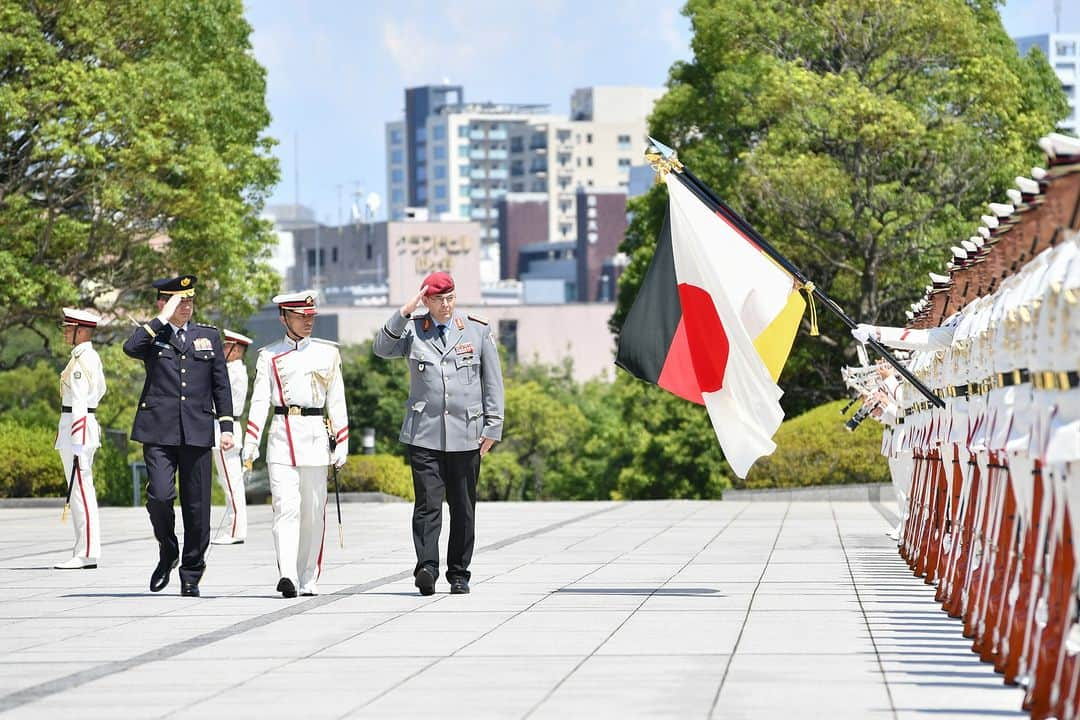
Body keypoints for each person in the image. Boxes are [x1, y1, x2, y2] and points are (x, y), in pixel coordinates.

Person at [373, 271, 504, 596]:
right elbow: (381, 348)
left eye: (450, 298)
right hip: (424, 434)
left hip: (467, 432)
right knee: (428, 504)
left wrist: (493, 425)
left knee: (463, 506)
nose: (446, 305)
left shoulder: (476, 330)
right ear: (426, 301)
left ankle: (458, 573)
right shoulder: (415, 330)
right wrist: (405, 312)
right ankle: (427, 568)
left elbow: (493, 381)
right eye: (438, 300)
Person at [123, 275, 235, 597]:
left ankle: (191, 572)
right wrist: (161, 318)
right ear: (163, 302)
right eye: (177, 301)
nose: (185, 307)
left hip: (197, 430)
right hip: (158, 430)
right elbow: (130, 347)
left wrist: (226, 427)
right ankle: (168, 548)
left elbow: (220, 385)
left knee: (198, 508)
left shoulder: (208, 337)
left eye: (189, 300)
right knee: (159, 496)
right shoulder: (152, 336)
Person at [243, 291, 348, 598]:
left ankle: (308, 576)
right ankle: (287, 573)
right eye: (301, 317)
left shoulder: (327, 354)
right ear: (284, 318)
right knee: (285, 508)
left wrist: (342, 442)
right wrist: (251, 442)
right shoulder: (269, 356)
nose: (307, 322)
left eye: (310, 316)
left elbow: (337, 400)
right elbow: (260, 400)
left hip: (316, 436)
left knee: (313, 512)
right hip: (281, 435)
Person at [54, 308, 107, 570]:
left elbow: (78, 402)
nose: (65, 332)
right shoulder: (86, 357)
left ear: (81, 331)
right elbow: (101, 390)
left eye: (68, 328)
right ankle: (84, 549)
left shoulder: (82, 359)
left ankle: (86, 552)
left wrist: (76, 441)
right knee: (80, 490)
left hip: (79, 430)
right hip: (81, 428)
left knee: (81, 492)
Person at [211, 329, 253, 545]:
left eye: (227, 346)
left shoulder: (233, 371)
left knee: (231, 484)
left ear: (236, 350)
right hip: (223, 428)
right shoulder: (231, 369)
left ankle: (236, 530)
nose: (223, 350)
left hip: (226, 429)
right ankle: (235, 528)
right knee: (229, 482)